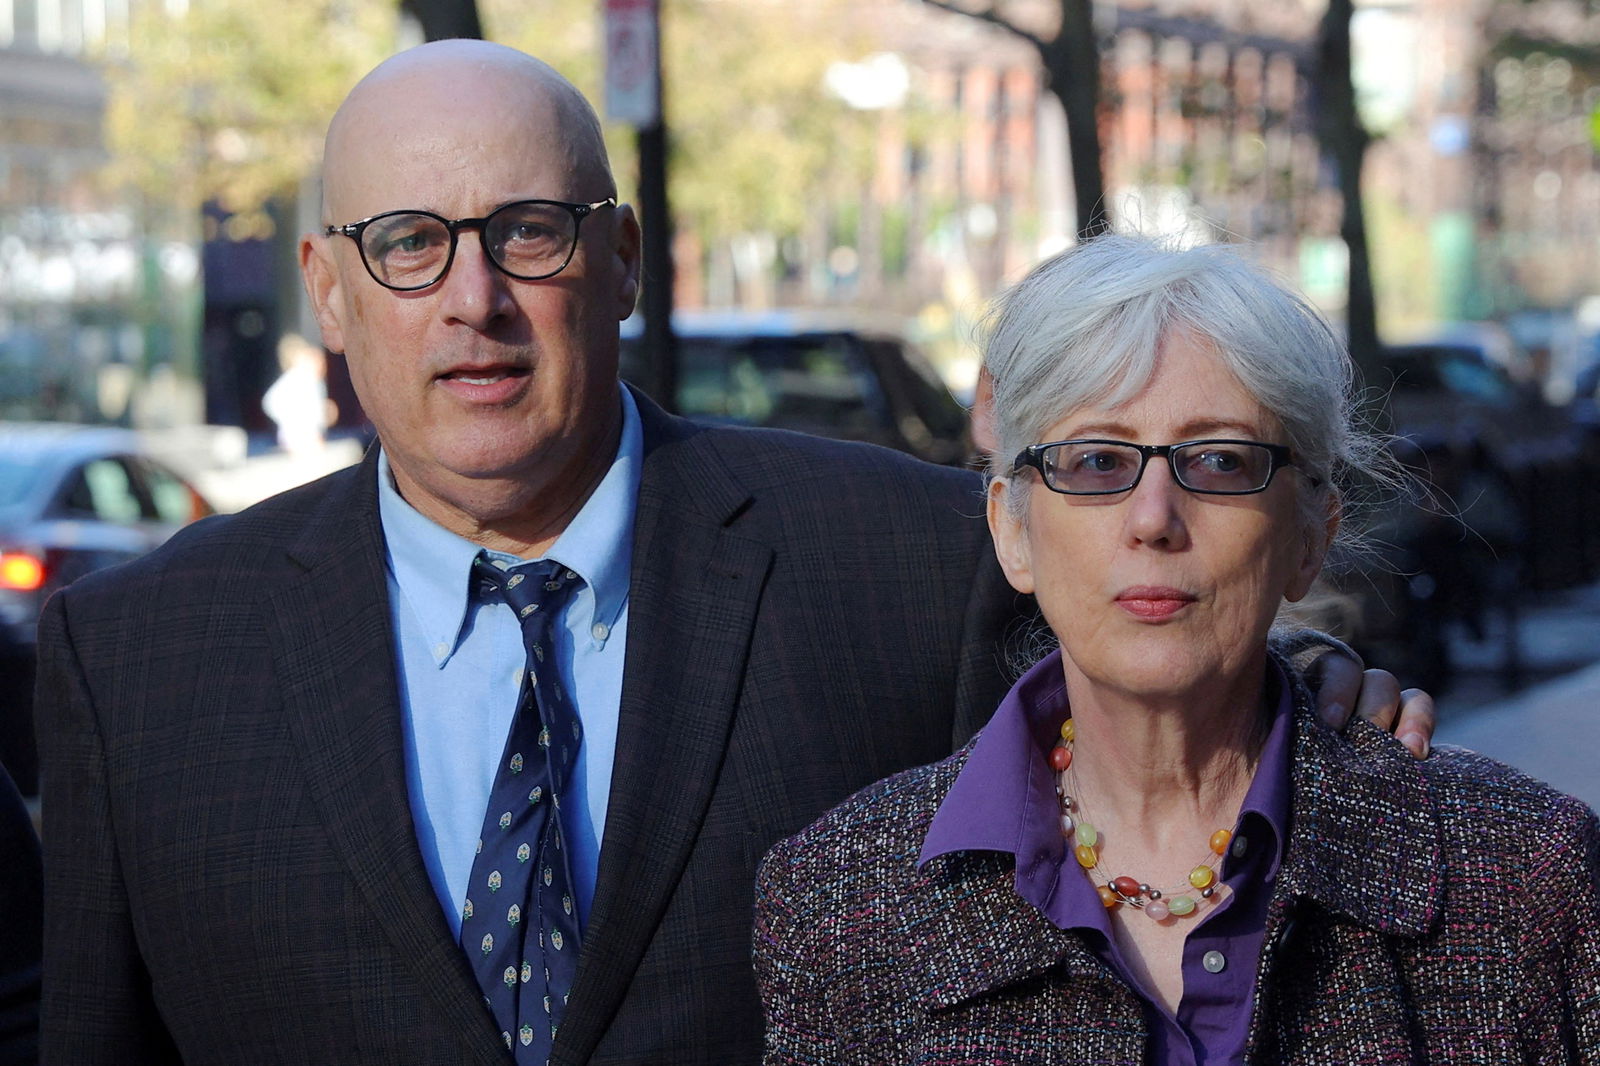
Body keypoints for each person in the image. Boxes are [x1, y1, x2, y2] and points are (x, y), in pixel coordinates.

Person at [34, 43, 1432, 1066]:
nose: (475, 301)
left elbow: (1133, 695)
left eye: (529, 233)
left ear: (626, 261)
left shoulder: (905, 561)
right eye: (407, 245)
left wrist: (1292, 680)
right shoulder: (139, 657)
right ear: (327, 289)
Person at [753, 234, 1600, 1063]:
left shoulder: (1526, 874)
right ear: (1013, 530)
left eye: (1222, 460)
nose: (1154, 518)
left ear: (1309, 537)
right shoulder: (839, 901)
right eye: (1094, 462)